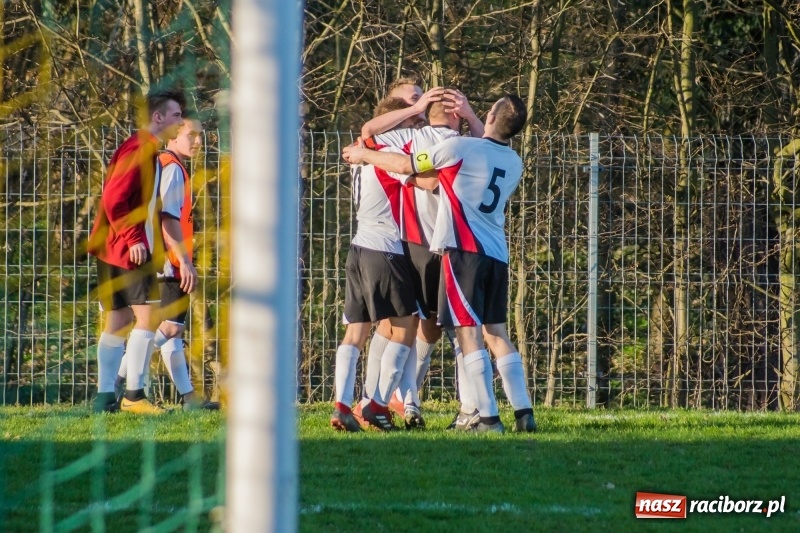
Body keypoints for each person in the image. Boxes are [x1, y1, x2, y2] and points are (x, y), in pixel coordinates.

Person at [343, 94, 537, 433]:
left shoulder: (454, 147)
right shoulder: (513, 161)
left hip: (460, 252)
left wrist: (364, 155)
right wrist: (475, 117)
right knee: (496, 333)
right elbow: (490, 137)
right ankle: (523, 412)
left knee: (464, 334)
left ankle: (484, 417)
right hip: (497, 254)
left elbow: (402, 162)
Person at [88, 89, 185, 415]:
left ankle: (104, 399)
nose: (180, 121)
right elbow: (114, 198)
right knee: (148, 318)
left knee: (118, 319)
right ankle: (134, 396)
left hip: (112, 247)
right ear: (158, 117)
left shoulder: (142, 146)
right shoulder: (142, 148)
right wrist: (134, 238)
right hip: (129, 249)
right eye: (175, 115)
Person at [329, 97, 420, 432]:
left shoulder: (360, 156)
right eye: (410, 125)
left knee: (356, 331)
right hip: (385, 250)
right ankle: (378, 406)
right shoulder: (384, 159)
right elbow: (418, 176)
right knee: (407, 326)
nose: (414, 130)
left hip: (358, 248)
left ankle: (341, 406)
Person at [114, 117, 218, 410]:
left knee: (171, 330)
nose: (198, 141)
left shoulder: (165, 163)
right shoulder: (172, 168)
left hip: (162, 258)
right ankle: (119, 382)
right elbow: (167, 218)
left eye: (201, 136)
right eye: (192, 135)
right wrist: (183, 261)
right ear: (173, 135)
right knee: (169, 329)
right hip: (170, 261)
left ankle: (188, 398)